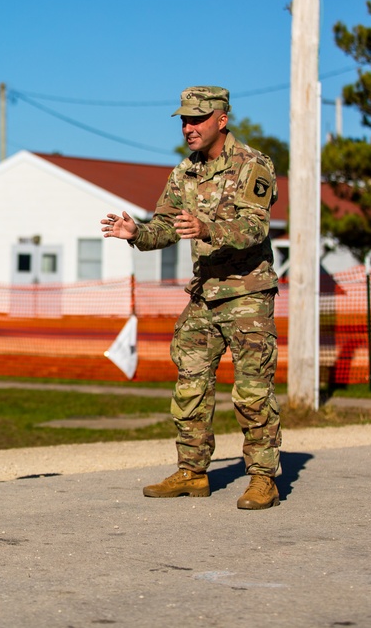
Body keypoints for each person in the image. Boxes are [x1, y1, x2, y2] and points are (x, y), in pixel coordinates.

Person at [100, 86, 281, 510]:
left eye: (197, 119)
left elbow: (255, 227)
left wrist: (207, 230)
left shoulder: (253, 165)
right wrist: (137, 234)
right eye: (184, 119)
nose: (188, 127)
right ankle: (193, 472)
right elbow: (165, 225)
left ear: (222, 119)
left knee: (253, 391)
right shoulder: (184, 172)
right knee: (190, 385)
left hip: (247, 295)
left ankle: (262, 479)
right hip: (205, 295)